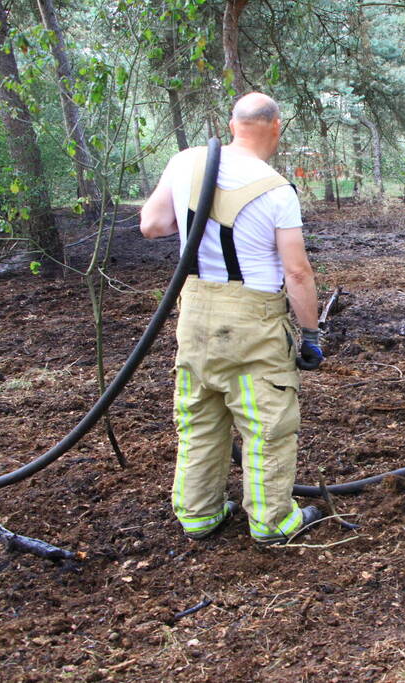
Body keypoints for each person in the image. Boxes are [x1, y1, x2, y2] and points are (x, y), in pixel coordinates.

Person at [140, 92, 324, 545]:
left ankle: (198, 515)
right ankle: (271, 521)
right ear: (276, 127)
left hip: (194, 310)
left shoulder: (185, 162)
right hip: (252, 318)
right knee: (268, 422)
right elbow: (297, 272)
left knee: (200, 415)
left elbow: (153, 225)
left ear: (232, 123)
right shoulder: (277, 188)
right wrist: (311, 333)